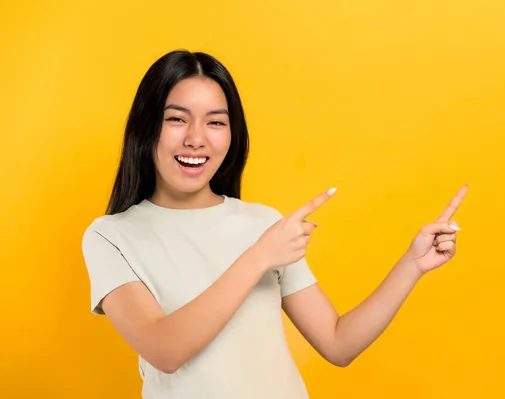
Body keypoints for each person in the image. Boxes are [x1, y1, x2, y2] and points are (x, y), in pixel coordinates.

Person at [81, 49, 468, 399]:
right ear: (146, 127)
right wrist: (259, 257)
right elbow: (165, 351)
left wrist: (412, 266)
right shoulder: (111, 236)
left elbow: (338, 343)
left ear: (232, 135)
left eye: (216, 123)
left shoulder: (263, 223)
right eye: (177, 119)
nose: (196, 139)